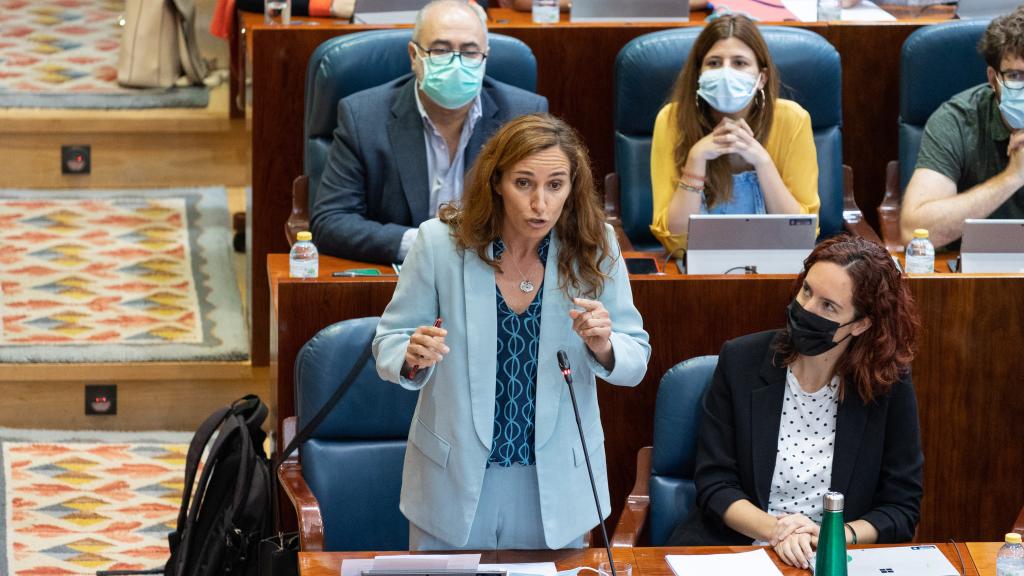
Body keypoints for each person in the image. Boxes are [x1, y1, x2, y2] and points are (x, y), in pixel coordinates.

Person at [373, 114, 650, 550]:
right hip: (455, 476)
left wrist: (605, 345)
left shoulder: (596, 248)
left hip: (555, 483)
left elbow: (635, 358)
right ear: (496, 181)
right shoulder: (440, 243)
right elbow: (389, 340)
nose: (540, 203)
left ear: (572, 187)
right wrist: (411, 353)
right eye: (524, 183)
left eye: (555, 185)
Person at [668, 234, 924, 569]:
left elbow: (901, 507)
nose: (806, 309)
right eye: (807, 291)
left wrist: (831, 535)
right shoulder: (741, 361)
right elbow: (715, 484)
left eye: (828, 306)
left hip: (832, 557)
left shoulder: (887, 385)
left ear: (861, 323)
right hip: (736, 549)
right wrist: (778, 531)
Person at [311, 0, 548, 264]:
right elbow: (330, 221)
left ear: (485, 57)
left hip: (493, 272)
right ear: (414, 56)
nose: (456, 63)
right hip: (398, 280)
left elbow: (545, 209)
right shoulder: (363, 116)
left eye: (470, 52)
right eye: (441, 50)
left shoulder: (522, 115)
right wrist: (423, 244)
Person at [649, 14, 819, 256]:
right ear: (699, 74)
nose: (726, 73)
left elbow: (801, 235)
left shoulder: (793, 119)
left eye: (739, 63)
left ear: (762, 77)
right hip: (697, 270)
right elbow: (676, 243)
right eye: (715, 63)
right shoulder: (671, 120)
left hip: (777, 267)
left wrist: (762, 162)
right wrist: (696, 159)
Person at [900, 7, 1024, 248]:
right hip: (971, 278)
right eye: (1016, 75)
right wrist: (1013, 177)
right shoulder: (956, 120)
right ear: (993, 79)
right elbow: (914, 231)